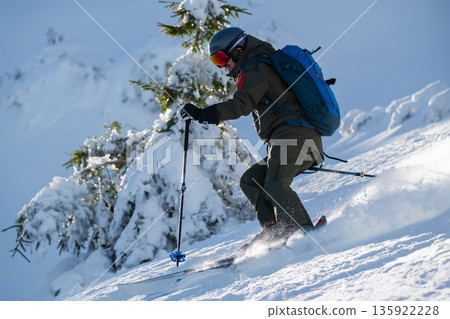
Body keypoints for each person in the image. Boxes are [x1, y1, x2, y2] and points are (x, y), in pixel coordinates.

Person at [180, 27, 324, 241]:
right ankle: (274, 232)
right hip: (290, 139)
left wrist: (203, 114)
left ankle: (301, 232)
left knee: (275, 185)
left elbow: (241, 105)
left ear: (237, 50)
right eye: (216, 62)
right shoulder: (257, 66)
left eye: (221, 58)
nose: (223, 66)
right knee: (251, 180)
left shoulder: (257, 67)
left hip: (297, 137)